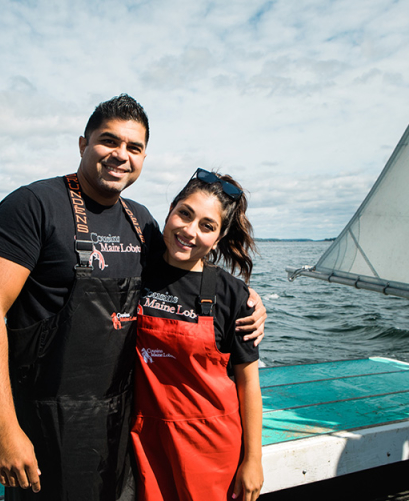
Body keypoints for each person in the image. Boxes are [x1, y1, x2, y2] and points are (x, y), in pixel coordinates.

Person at [0, 94, 266, 501]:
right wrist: (3, 428)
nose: (120, 155)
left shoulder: (140, 221)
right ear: (82, 144)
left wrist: (247, 300)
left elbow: (186, 273)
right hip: (46, 423)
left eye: (134, 147)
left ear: (144, 158)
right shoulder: (32, 206)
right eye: (109, 141)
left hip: (122, 429)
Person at [131, 169, 263, 501]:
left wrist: (253, 460)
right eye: (184, 214)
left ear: (218, 238)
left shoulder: (233, 295)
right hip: (144, 440)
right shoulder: (134, 271)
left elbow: (248, 385)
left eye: (207, 226)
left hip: (211, 448)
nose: (189, 231)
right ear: (170, 211)